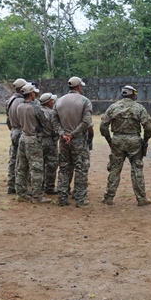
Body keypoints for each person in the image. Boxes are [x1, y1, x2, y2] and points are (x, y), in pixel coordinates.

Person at [100, 85, 151, 206]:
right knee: (137, 169)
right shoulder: (139, 108)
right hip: (134, 141)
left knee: (115, 169)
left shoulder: (113, 107)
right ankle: (141, 198)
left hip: (117, 140)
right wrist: (144, 140)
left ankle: (108, 197)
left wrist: (109, 140)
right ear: (133, 94)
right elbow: (148, 127)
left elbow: (103, 126)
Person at [51, 76, 93, 207]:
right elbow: (86, 121)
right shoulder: (84, 101)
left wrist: (63, 133)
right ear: (79, 86)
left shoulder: (59, 101)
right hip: (78, 140)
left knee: (64, 168)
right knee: (81, 168)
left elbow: (54, 120)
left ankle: (62, 198)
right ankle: (80, 199)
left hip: (64, 141)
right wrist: (73, 133)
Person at [15, 83, 53, 204]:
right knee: (36, 168)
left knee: (22, 167)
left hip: (23, 137)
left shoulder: (19, 106)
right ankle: (37, 196)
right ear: (31, 94)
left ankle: (20, 193)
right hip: (33, 139)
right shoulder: (35, 108)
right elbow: (45, 122)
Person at [5, 78, 27, 194]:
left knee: (13, 159)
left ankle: (11, 184)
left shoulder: (10, 101)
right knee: (22, 160)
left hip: (13, 130)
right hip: (21, 130)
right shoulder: (21, 101)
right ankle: (20, 186)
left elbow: (8, 119)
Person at [39, 93, 59, 194]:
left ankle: (39, 186)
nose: (53, 102)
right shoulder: (52, 113)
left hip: (39, 140)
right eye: (52, 100)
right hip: (50, 141)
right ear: (48, 102)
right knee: (51, 164)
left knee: (39, 164)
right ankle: (49, 187)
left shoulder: (36, 111)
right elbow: (57, 127)